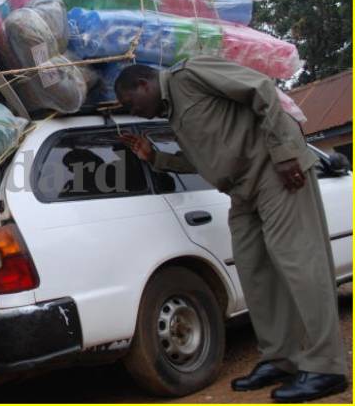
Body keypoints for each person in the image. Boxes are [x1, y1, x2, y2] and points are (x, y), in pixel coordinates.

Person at [114, 56, 347, 403]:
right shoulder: (173, 111)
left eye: (130, 102)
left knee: (301, 266)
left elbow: (262, 89)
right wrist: (156, 157)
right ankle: (280, 359)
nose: (133, 111)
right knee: (254, 273)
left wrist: (285, 153)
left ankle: (328, 367)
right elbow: (203, 160)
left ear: (143, 84)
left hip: (274, 173)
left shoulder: (189, 75)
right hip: (241, 191)